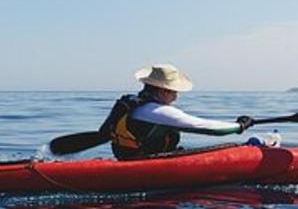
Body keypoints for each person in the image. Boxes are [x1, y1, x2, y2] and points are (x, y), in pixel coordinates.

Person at [100, 64, 254, 159]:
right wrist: (239, 126)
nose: (176, 95)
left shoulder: (134, 105)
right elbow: (208, 128)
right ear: (162, 90)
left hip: (130, 158)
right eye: (174, 91)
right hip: (145, 163)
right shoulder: (158, 112)